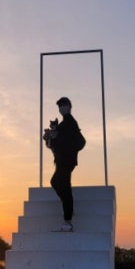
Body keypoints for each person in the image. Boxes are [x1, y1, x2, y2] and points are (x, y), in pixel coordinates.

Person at [44, 96, 86, 232]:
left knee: (62, 184)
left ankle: (68, 220)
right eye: (60, 106)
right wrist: (49, 139)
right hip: (61, 160)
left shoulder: (71, 123)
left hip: (67, 160)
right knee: (56, 182)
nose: (61, 108)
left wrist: (60, 140)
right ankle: (68, 208)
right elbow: (54, 145)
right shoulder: (62, 125)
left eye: (63, 105)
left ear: (69, 106)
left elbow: (80, 142)